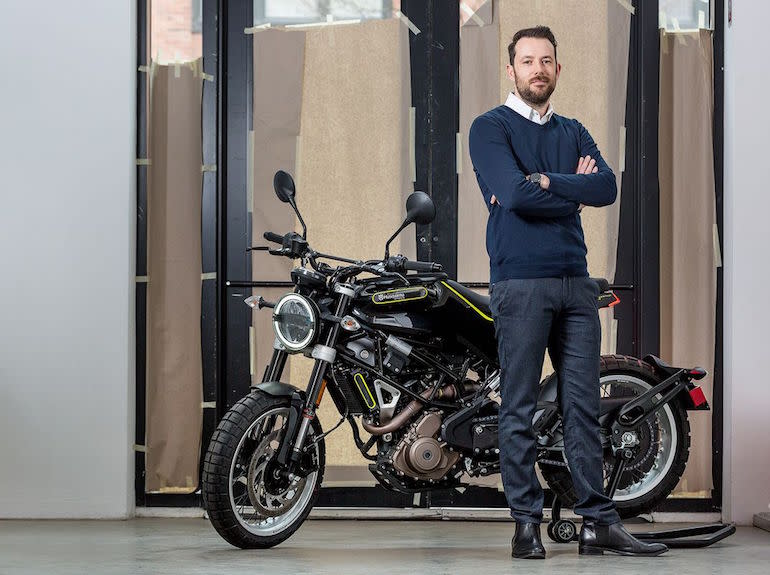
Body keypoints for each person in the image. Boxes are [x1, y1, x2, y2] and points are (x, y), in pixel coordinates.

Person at [469, 25, 668, 559]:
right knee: (519, 408)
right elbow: (511, 194)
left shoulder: (574, 129)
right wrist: (566, 188)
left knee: (582, 408)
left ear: (558, 68)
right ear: (511, 69)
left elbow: (606, 186)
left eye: (547, 60)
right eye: (528, 60)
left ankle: (597, 521)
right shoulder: (489, 128)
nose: (538, 69)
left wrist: (549, 182)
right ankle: (526, 524)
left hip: (577, 286)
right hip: (521, 284)